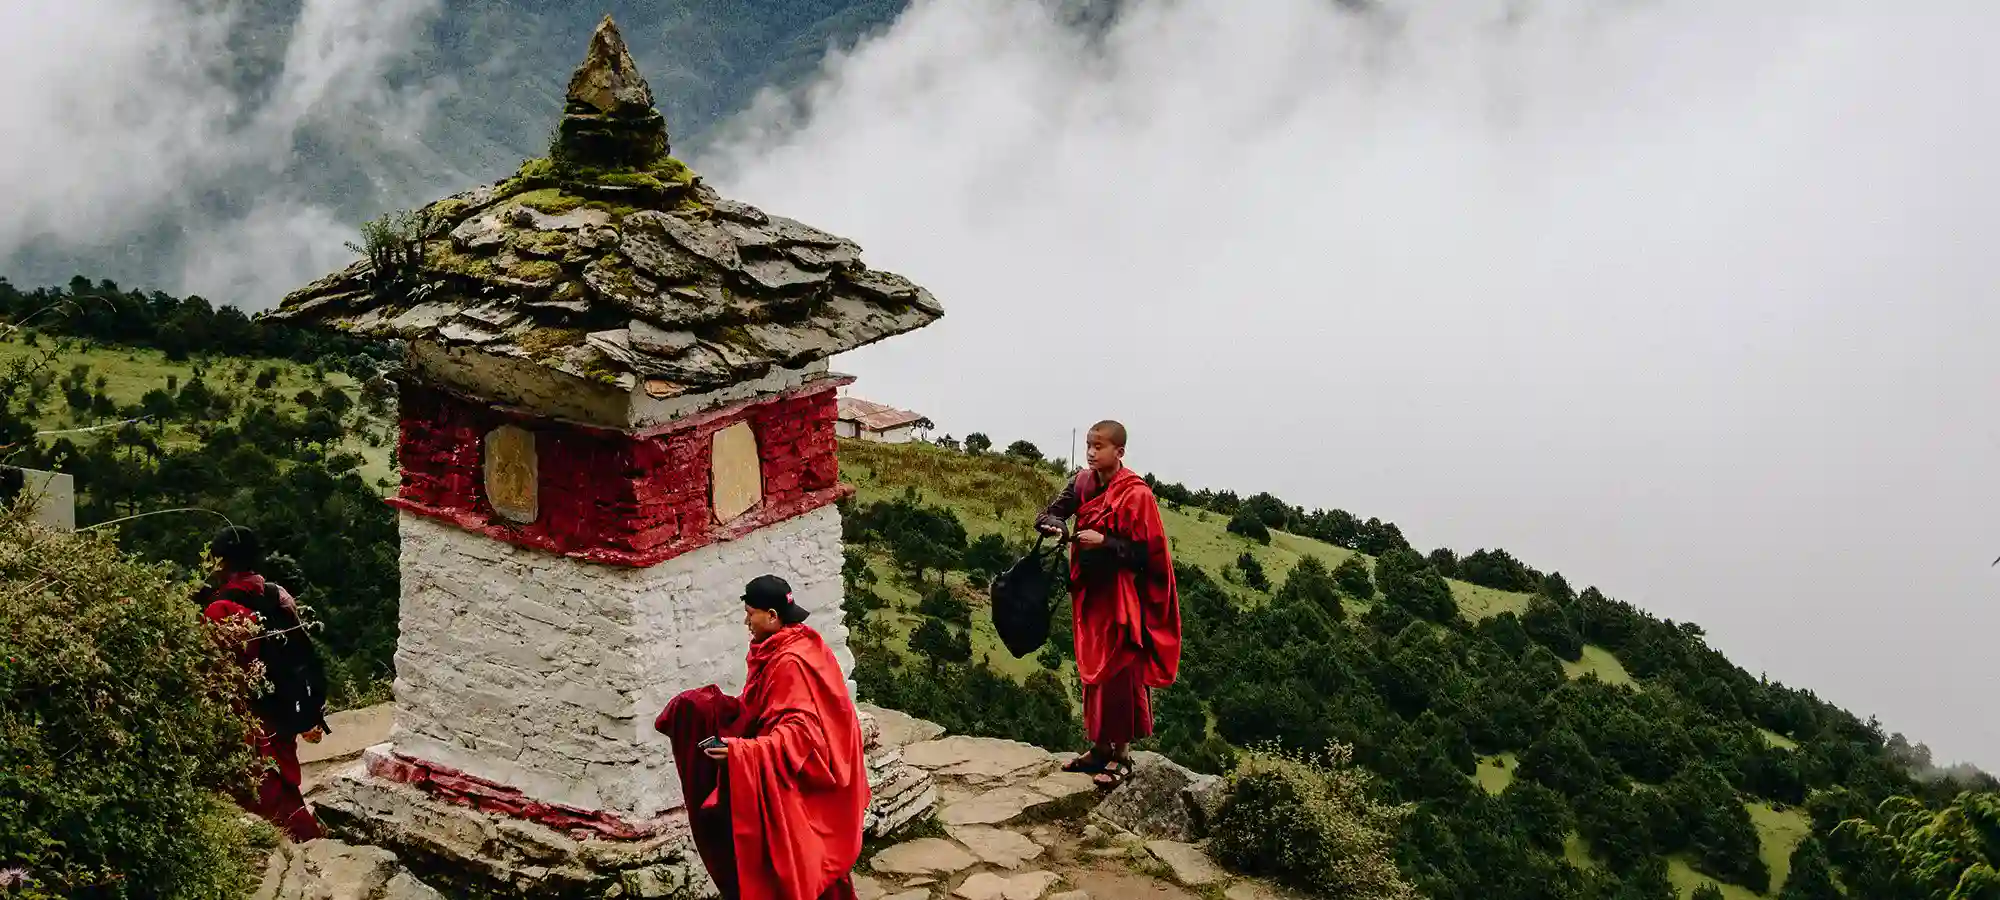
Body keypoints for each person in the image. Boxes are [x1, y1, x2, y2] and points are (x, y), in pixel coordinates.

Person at [654, 575, 869, 900]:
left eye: (750, 613)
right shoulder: (796, 643)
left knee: (794, 866)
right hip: (783, 769)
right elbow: (764, 710)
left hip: (798, 781)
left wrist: (742, 752)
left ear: (772, 615)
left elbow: (800, 735)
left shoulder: (791, 663)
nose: (746, 621)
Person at [1036, 420, 1181, 788]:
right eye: (1088, 444)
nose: (1090, 452)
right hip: (1091, 594)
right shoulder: (1082, 483)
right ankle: (1099, 748)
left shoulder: (1136, 494)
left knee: (1121, 673)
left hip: (1122, 597)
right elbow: (1049, 513)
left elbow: (1147, 555)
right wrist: (1054, 525)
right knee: (1093, 672)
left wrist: (1104, 541)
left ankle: (1122, 756)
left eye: (1099, 446)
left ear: (1119, 452)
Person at [196, 525, 330, 842]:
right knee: (282, 783)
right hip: (283, 707)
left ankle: (305, 843)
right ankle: (304, 837)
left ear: (220, 563)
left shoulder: (221, 609)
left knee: (264, 792)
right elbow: (300, 648)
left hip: (249, 717)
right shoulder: (277, 594)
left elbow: (217, 672)